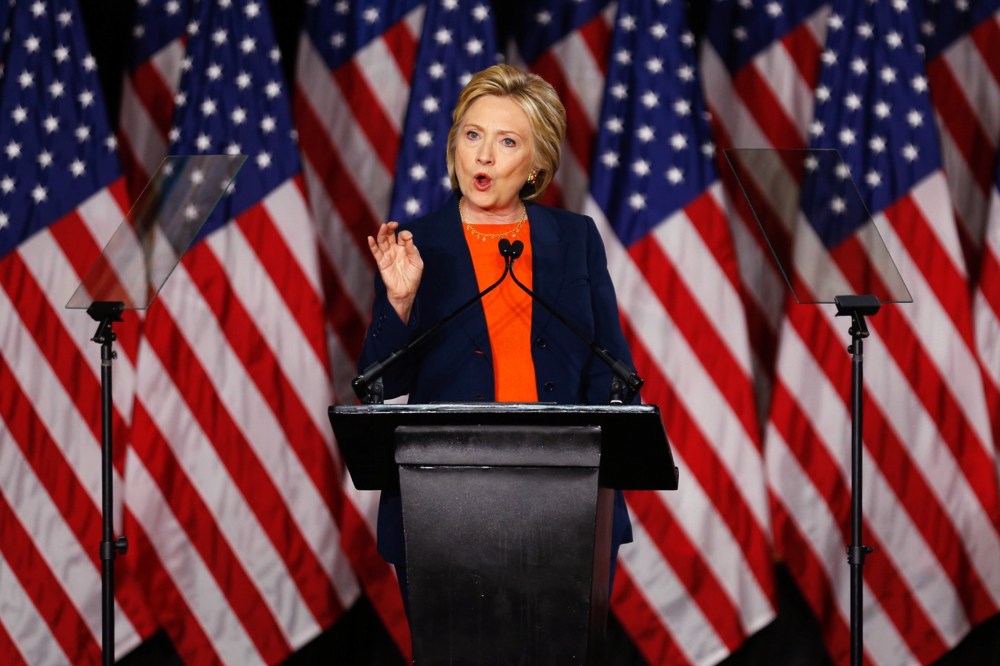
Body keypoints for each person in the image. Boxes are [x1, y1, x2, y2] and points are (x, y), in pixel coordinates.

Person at [358, 63, 637, 608]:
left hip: (568, 501)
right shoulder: (417, 246)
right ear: (455, 145)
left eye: (507, 141)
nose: (483, 156)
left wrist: (615, 445)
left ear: (535, 164)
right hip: (442, 505)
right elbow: (381, 386)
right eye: (472, 135)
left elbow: (612, 371)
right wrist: (400, 300)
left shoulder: (575, 238)